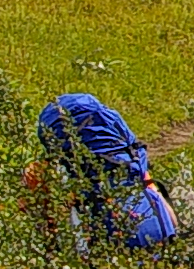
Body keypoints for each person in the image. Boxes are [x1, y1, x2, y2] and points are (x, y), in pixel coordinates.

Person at [29, 91, 179, 251]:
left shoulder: (47, 173)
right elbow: (171, 219)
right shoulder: (127, 156)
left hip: (101, 255)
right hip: (159, 238)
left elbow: (48, 236)